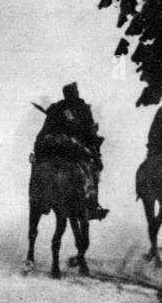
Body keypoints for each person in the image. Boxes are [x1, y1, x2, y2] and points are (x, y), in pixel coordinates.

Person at [35, 82, 108, 219]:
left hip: (55, 148)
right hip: (72, 148)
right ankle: (92, 205)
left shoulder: (58, 108)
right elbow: (89, 130)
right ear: (75, 93)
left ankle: (41, 201)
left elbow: (44, 132)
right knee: (95, 167)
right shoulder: (81, 108)